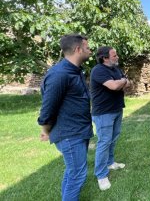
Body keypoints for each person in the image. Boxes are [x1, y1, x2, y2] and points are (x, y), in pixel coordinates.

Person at [38, 34, 92, 201]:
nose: (90, 50)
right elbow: (47, 110)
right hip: (70, 134)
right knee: (77, 174)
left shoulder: (75, 71)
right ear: (78, 49)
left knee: (73, 172)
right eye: (87, 47)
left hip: (79, 131)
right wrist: (46, 130)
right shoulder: (59, 74)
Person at [90, 46, 130, 191]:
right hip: (103, 113)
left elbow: (127, 83)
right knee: (104, 142)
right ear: (105, 58)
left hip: (117, 109)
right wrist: (122, 82)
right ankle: (101, 175)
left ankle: (110, 162)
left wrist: (122, 82)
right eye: (114, 55)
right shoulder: (98, 70)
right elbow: (114, 86)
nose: (117, 57)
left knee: (113, 138)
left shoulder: (116, 69)